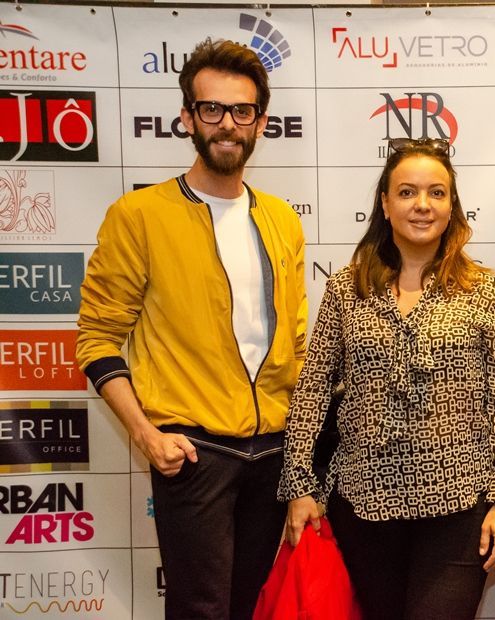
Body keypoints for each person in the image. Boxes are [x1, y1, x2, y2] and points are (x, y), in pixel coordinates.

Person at [76, 39, 307, 619]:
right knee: (200, 609)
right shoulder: (140, 216)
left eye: (242, 111)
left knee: (246, 605)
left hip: (273, 452)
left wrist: (302, 456)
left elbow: (298, 345)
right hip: (194, 450)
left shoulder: (281, 218)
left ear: (261, 121)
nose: (227, 125)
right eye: (212, 110)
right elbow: (97, 339)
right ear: (187, 117)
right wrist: (146, 434)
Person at [278, 137, 495, 620]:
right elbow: (312, 389)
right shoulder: (346, 287)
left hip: (460, 505)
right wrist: (298, 486)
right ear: (384, 203)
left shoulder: (483, 290)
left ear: (452, 206)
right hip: (363, 506)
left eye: (437, 193)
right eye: (408, 192)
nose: (423, 205)